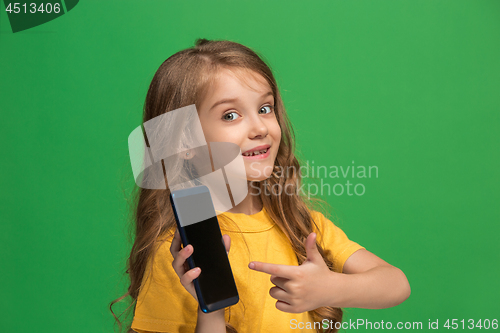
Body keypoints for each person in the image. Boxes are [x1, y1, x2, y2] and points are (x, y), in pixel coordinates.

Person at [110, 38, 411, 333]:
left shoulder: (299, 224)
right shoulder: (179, 253)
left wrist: (331, 288)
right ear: (186, 141)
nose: (259, 128)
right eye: (231, 115)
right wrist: (211, 307)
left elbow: (396, 284)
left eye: (265, 108)